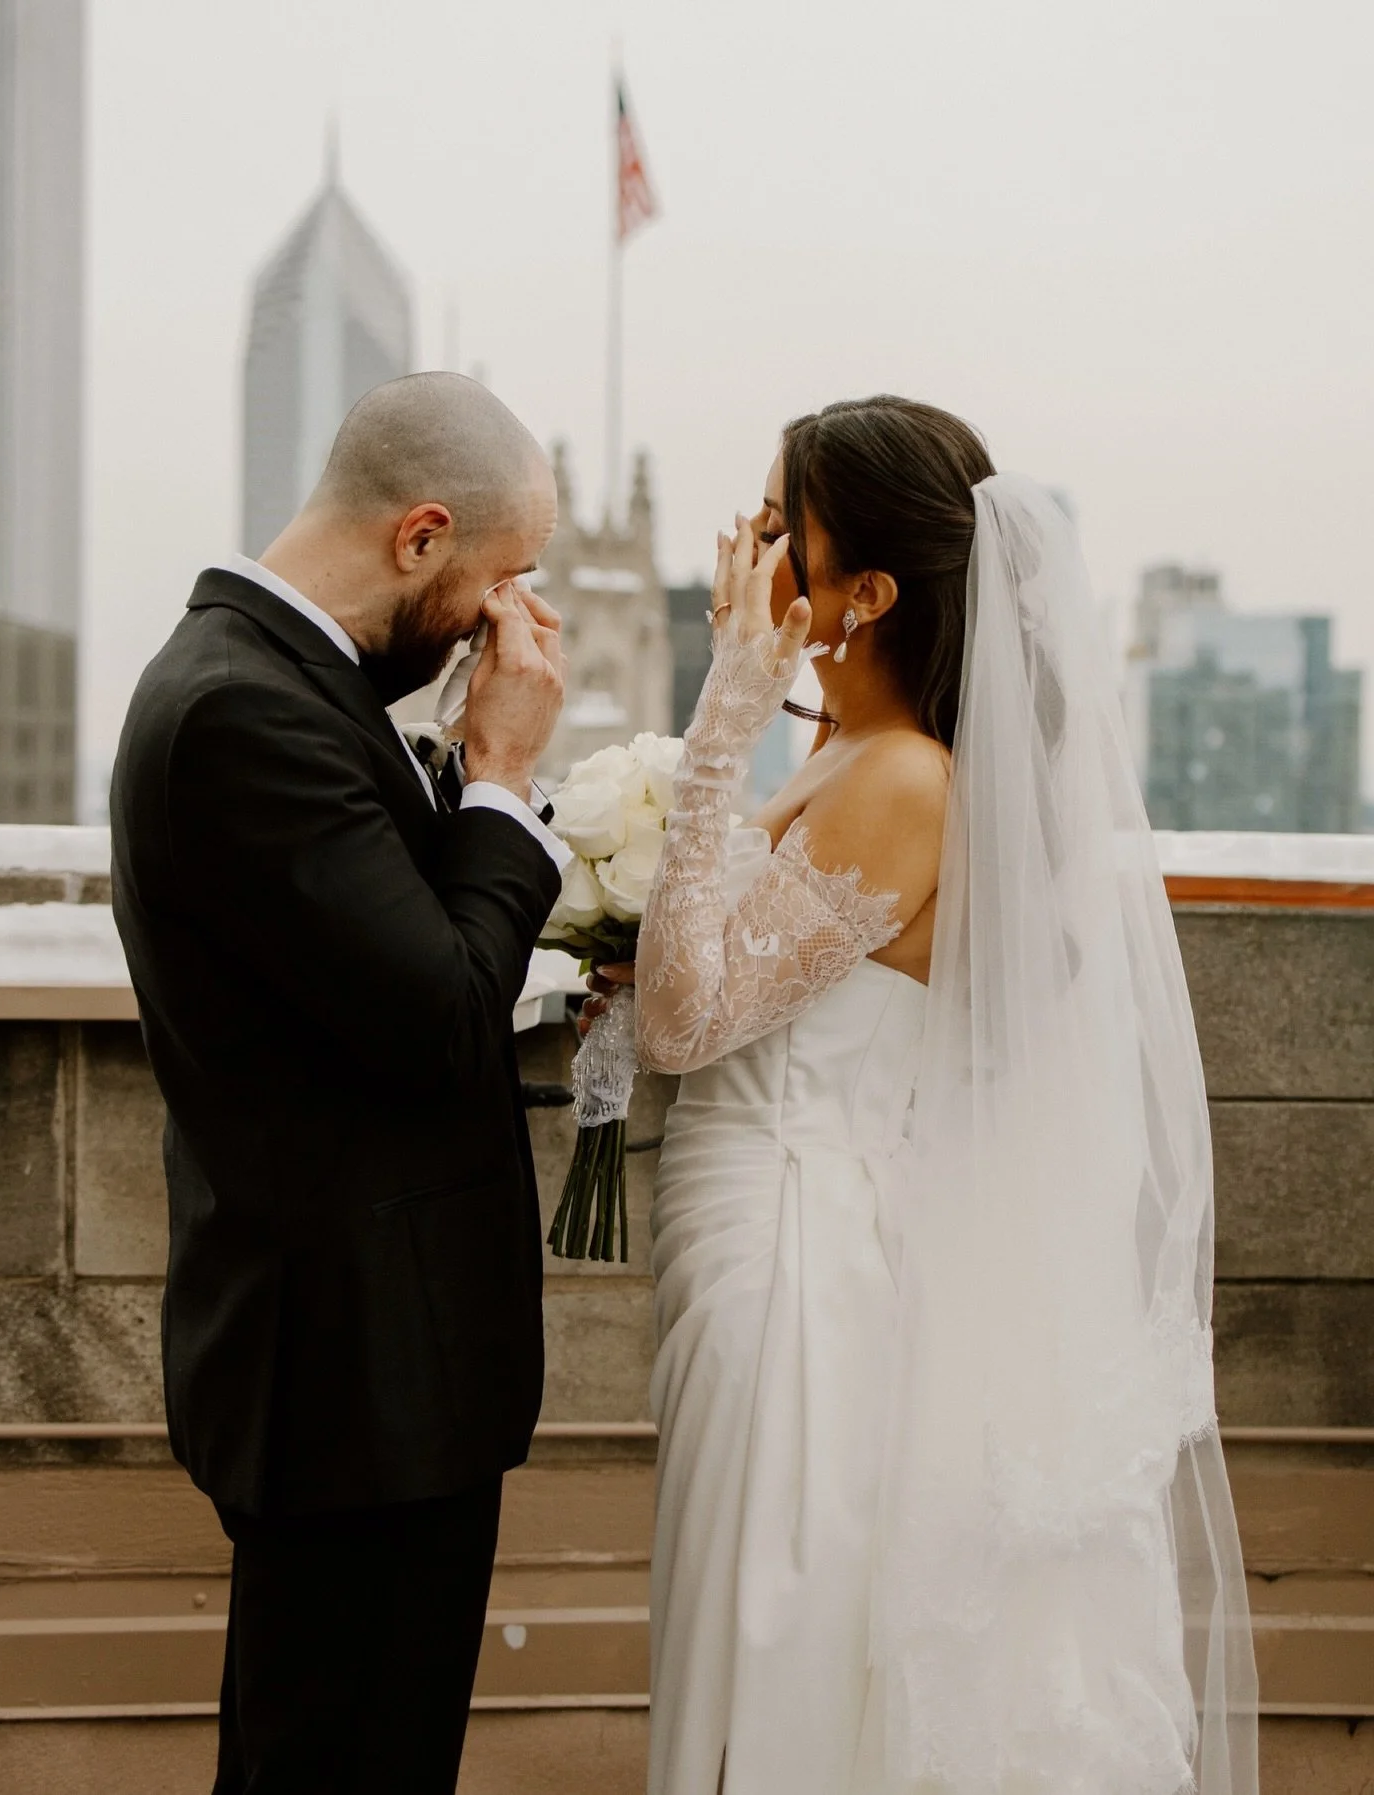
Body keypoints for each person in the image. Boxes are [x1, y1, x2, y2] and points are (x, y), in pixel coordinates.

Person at [590, 396, 1258, 1794]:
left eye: (781, 532)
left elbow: (681, 1018)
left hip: (799, 1256)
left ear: (867, 591)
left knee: (764, 1641)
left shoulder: (902, 777)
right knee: (736, 1622)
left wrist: (726, 688)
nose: (746, 554)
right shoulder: (839, 756)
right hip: (754, 1233)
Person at [110, 373, 570, 1795]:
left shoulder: (287, 679)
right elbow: (437, 1012)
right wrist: (499, 771)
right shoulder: (245, 709)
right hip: (353, 1382)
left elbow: (368, 954)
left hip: (373, 1373)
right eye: (504, 583)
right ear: (422, 536)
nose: (512, 625)